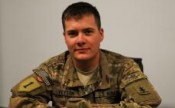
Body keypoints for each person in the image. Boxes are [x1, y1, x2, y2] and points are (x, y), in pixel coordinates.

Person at [9, 1, 161, 108]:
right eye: (73, 33)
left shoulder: (124, 67)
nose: (80, 40)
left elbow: (148, 103)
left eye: (88, 32)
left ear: (100, 34)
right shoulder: (52, 69)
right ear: (65, 38)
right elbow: (18, 100)